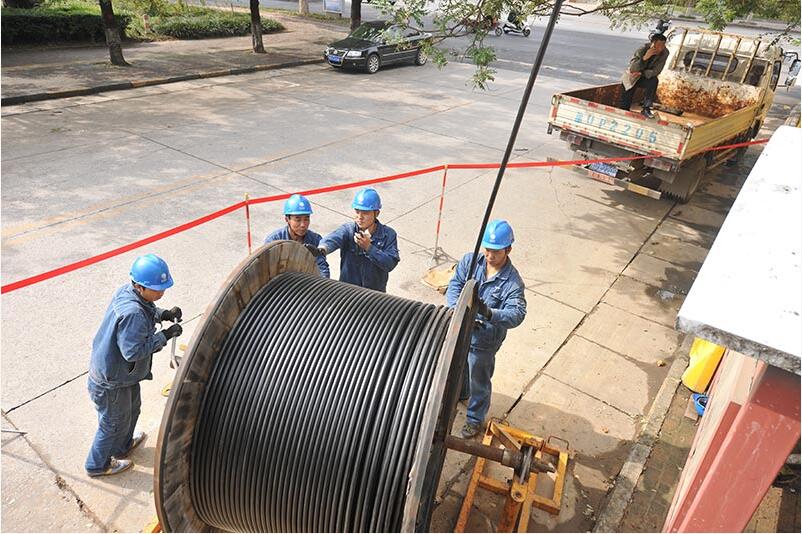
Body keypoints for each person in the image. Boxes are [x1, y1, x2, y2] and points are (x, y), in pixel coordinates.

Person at [85, 254, 183, 477]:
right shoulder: (133, 314)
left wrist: (164, 314)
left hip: (122, 375)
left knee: (132, 409)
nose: (162, 292)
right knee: (112, 423)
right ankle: (97, 465)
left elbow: (147, 309)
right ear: (140, 286)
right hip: (111, 381)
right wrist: (165, 336)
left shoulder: (128, 292)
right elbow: (133, 352)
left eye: (163, 288)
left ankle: (123, 446)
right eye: (157, 289)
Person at [446, 220, 527, 439]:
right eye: (487, 250)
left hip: (484, 342)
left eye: (496, 252)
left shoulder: (512, 282)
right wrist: (456, 308)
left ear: (508, 250)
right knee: (458, 367)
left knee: (479, 380)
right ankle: (461, 393)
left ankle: (474, 419)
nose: (490, 256)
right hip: (462, 330)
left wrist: (490, 313)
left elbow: (517, 314)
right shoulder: (471, 261)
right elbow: (455, 284)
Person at [305, 188, 399, 292]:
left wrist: (369, 248)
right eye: (357, 211)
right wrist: (322, 249)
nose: (360, 217)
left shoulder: (388, 235)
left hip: (374, 295)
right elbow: (334, 238)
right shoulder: (348, 230)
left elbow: (390, 264)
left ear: (376, 213)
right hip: (348, 293)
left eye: (365, 212)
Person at [264, 194, 330, 278]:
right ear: (287, 219)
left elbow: (322, 267)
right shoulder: (274, 241)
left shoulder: (315, 240)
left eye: (306, 219)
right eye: (297, 219)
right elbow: (266, 271)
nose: (303, 225)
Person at [618, 33, 669, 119]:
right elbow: (633, 68)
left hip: (645, 76)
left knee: (654, 80)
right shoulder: (642, 50)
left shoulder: (665, 53)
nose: (661, 48)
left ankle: (646, 108)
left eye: (663, 45)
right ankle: (623, 112)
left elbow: (657, 71)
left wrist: (642, 73)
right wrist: (645, 58)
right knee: (625, 103)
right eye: (658, 45)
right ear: (652, 44)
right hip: (632, 76)